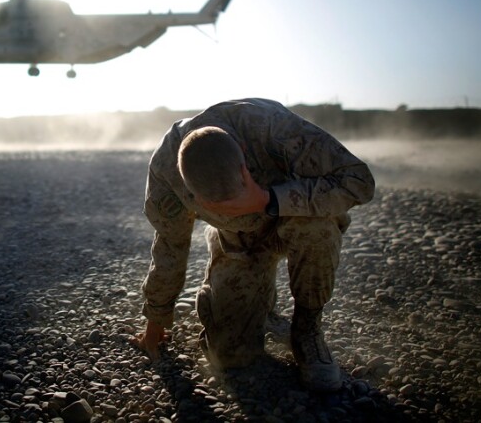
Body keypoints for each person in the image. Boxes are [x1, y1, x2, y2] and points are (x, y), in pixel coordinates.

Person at [131, 98, 375, 392]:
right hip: (240, 240)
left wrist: (266, 198)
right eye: (220, 206)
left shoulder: (271, 127)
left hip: (293, 220)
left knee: (318, 227)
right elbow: (170, 245)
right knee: (230, 356)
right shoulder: (165, 172)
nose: (233, 206)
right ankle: (233, 267)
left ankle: (307, 327)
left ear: (245, 154)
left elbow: (359, 182)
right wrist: (157, 319)